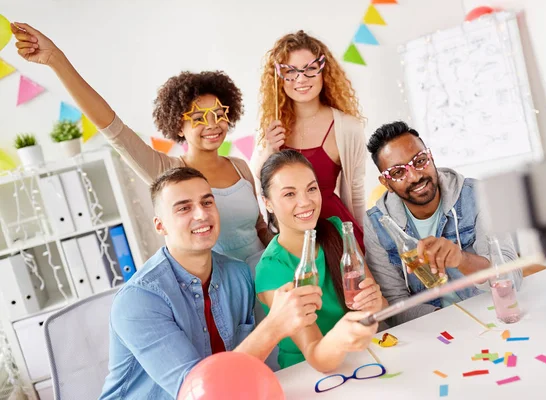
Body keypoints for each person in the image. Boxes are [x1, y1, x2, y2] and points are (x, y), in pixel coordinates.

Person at [11, 22, 271, 267]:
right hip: (225, 292)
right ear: (178, 124)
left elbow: (259, 228)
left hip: (268, 280)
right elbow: (114, 129)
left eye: (218, 114)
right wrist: (56, 60)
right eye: (199, 118)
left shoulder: (239, 167)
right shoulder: (168, 172)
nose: (213, 124)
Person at [97, 167, 322, 399]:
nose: (202, 215)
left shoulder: (238, 275)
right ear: (160, 225)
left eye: (207, 203)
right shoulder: (139, 300)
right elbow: (194, 393)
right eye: (184, 208)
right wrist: (274, 325)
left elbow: (244, 371)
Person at [364, 121, 522, 327]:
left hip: (491, 317)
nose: (415, 175)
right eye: (397, 172)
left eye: (420, 160)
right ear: (386, 183)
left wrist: (462, 259)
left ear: (431, 157)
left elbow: (512, 278)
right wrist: (452, 324)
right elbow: (395, 303)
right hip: (434, 331)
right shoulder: (376, 224)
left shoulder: (478, 195)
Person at [255, 150, 385, 372]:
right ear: (267, 203)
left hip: (361, 357)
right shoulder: (271, 269)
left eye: (311, 189)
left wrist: (374, 304)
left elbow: (380, 305)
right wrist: (343, 333)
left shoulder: (336, 230)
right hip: (307, 374)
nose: (305, 202)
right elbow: (317, 356)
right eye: (289, 194)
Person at [252, 30, 366, 251]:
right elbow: (255, 181)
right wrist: (268, 149)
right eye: (290, 72)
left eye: (310, 69)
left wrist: (364, 244)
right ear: (279, 77)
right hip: (291, 235)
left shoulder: (347, 127)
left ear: (324, 72)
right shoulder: (272, 125)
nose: (301, 79)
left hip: (335, 232)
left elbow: (357, 193)